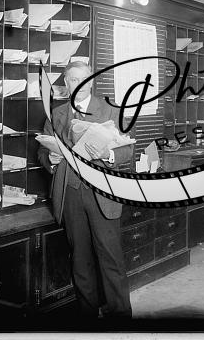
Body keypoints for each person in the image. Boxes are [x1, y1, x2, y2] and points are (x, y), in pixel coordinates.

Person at [38, 61, 133, 319]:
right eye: (72, 79)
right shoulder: (56, 114)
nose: (78, 84)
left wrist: (108, 154)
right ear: (66, 83)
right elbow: (42, 151)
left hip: (103, 194)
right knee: (80, 260)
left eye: (83, 79)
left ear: (92, 81)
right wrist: (50, 159)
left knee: (111, 259)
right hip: (70, 193)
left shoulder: (111, 110)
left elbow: (128, 150)